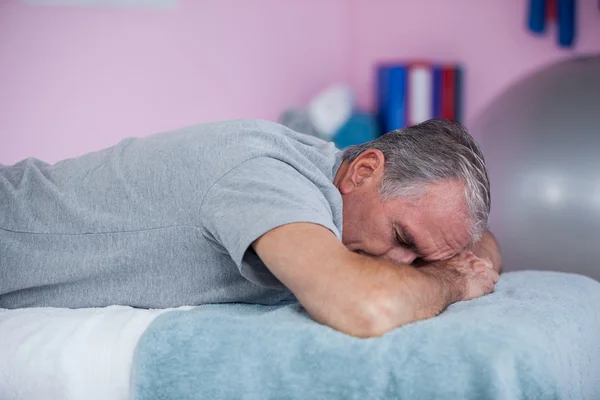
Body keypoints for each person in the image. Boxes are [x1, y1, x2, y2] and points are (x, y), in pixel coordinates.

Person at [0, 118, 500, 337]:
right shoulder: (267, 175)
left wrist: (445, 256)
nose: (399, 266)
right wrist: (451, 279)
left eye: (420, 260)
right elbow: (365, 306)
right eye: (402, 239)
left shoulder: (341, 187)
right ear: (364, 170)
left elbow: (482, 246)